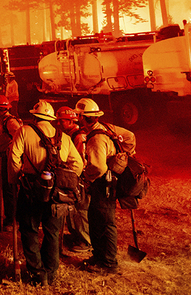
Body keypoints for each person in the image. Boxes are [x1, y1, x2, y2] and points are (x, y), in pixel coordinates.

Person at [9, 101, 83, 286]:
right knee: (52, 231)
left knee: (29, 230)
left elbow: (13, 158)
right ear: (51, 119)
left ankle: (37, 273)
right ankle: (51, 272)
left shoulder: (24, 131)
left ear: (35, 116)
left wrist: (16, 178)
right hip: (57, 194)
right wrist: (64, 180)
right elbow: (78, 165)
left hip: (30, 190)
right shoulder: (63, 137)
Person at [74, 97, 136, 275]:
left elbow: (98, 168)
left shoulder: (96, 139)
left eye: (79, 116)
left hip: (103, 184)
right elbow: (130, 137)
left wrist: (85, 177)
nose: (77, 119)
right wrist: (127, 152)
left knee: (105, 221)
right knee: (96, 219)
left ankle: (108, 262)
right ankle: (99, 256)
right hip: (110, 181)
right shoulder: (107, 128)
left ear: (85, 118)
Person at [55, 106, 92, 254]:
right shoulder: (68, 134)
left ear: (71, 121)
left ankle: (85, 240)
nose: (58, 124)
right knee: (71, 209)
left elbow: (80, 160)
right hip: (71, 176)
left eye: (61, 121)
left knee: (79, 209)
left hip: (78, 177)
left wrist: (73, 177)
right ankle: (76, 236)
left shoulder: (78, 136)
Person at [0, 95, 22, 231]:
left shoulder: (10, 122)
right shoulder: (3, 120)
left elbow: (18, 138)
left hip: (9, 158)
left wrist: (12, 153)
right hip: (5, 157)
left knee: (10, 189)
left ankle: (12, 220)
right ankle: (11, 217)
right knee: (6, 188)